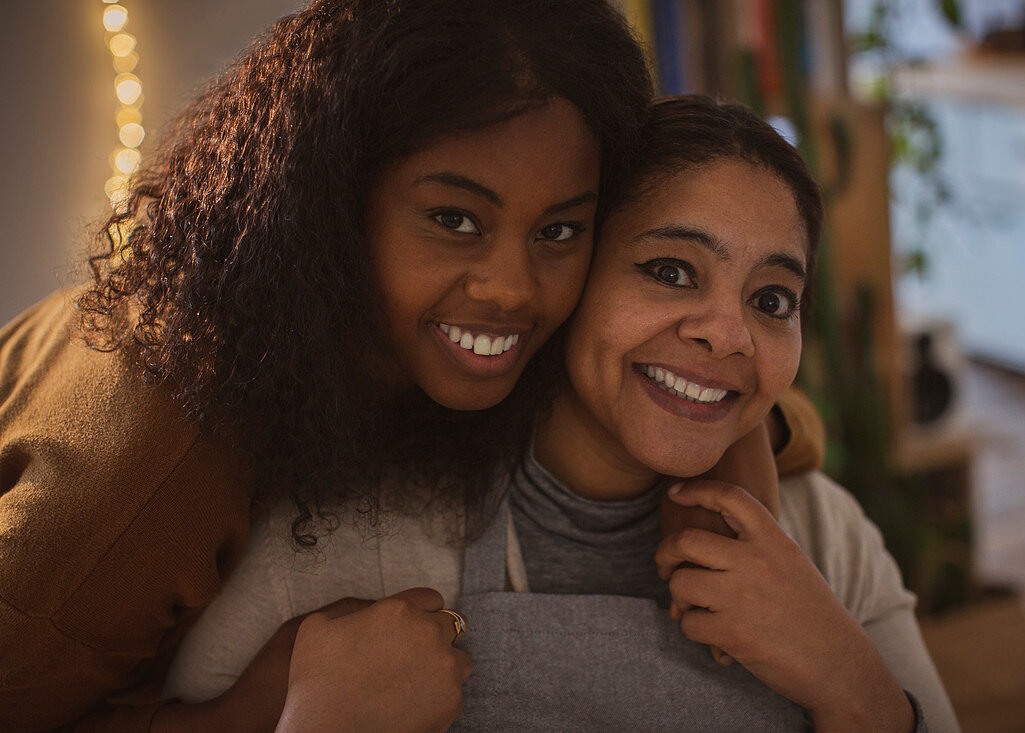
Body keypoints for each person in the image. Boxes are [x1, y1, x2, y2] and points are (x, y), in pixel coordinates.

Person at [162, 98, 958, 732]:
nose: (729, 331)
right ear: (568, 275)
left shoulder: (829, 539)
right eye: (671, 269)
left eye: (771, 298)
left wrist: (859, 694)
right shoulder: (345, 535)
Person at [0, 0, 655, 729]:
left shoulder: (401, 337)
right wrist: (268, 714)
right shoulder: (162, 444)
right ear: (330, 198)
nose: (514, 289)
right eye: (455, 220)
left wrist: (746, 456)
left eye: (559, 230)